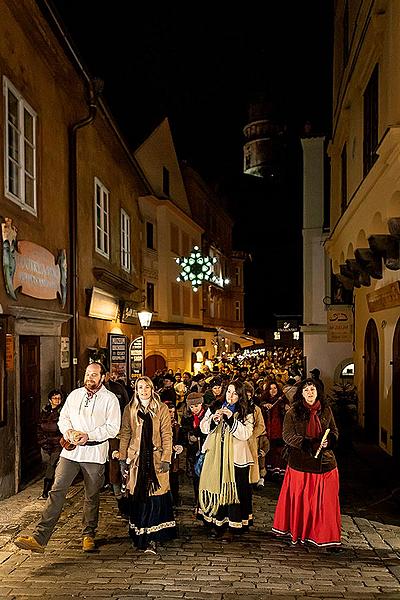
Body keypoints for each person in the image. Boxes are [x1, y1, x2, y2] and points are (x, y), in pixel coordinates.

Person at [14, 362, 121, 553]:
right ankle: (39, 537)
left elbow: (113, 427)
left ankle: (88, 534)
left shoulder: (110, 399)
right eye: (88, 374)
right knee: (57, 490)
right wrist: (69, 430)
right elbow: (63, 418)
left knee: (91, 495)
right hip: (71, 452)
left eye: (94, 375)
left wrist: (89, 435)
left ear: (103, 377)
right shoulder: (75, 395)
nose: (90, 378)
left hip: (94, 453)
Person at [272, 378, 341, 551]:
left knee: (326, 503)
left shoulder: (326, 410)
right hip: (301, 464)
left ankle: (327, 537)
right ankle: (301, 533)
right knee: (302, 502)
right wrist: (308, 445)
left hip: (325, 463)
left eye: (312, 390)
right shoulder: (293, 412)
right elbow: (287, 436)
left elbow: (334, 431)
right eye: (306, 390)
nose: (310, 393)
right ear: (301, 393)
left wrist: (329, 441)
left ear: (318, 392)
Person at [118, 376, 177, 554]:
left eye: (147, 387)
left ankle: (153, 537)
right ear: (136, 390)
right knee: (140, 496)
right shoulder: (130, 409)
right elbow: (125, 434)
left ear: (152, 389)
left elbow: (167, 434)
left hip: (156, 459)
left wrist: (167, 458)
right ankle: (140, 534)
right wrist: (122, 458)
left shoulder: (161, 409)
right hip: (137, 460)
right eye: (140, 387)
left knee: (156, 496)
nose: (144, 391)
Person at [197, 380, 254, 541]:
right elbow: (203, 427)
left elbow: (245, 434)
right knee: (217, 488)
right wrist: (213, 420)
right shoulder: (215, 406)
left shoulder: (246, 411)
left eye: (235, 393)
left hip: (236, 459)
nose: (231, 396)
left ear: (240, 395)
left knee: (234, 492)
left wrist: (230, 420)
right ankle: (216, 524)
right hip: (216, 456)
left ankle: (234, 525)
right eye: (229, 391)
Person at [180, 392, 207, 510]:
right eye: (191, 407)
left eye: (196, 406)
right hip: (193, 451)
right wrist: (188, 437)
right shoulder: (187, 418)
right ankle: (198, 502)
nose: (194, 409)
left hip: (206, 450)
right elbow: (183, 432)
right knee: (196, 478)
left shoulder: (207, 416)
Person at [36, 389, 64, 500]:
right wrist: (43, 442)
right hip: (47, 443)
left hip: (59, 443)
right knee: (52, 464)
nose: (57, 401)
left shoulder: (62, 412)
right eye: (55, 398)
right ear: (50, 400)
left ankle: (46, 491)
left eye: (59, 398)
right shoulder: (45, 412)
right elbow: (39, 428)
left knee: (51, 465)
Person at [260, 382, 290, 480]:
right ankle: (269, 469)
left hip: (279, 429)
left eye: (275, 388)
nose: (273, 391)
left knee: (279, 449)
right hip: (268, 429)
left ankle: (279, 469)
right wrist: (265, 406)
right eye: (271, 389)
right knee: (269, 449)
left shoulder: (282, 401)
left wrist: (285, 407)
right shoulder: (264, 401)